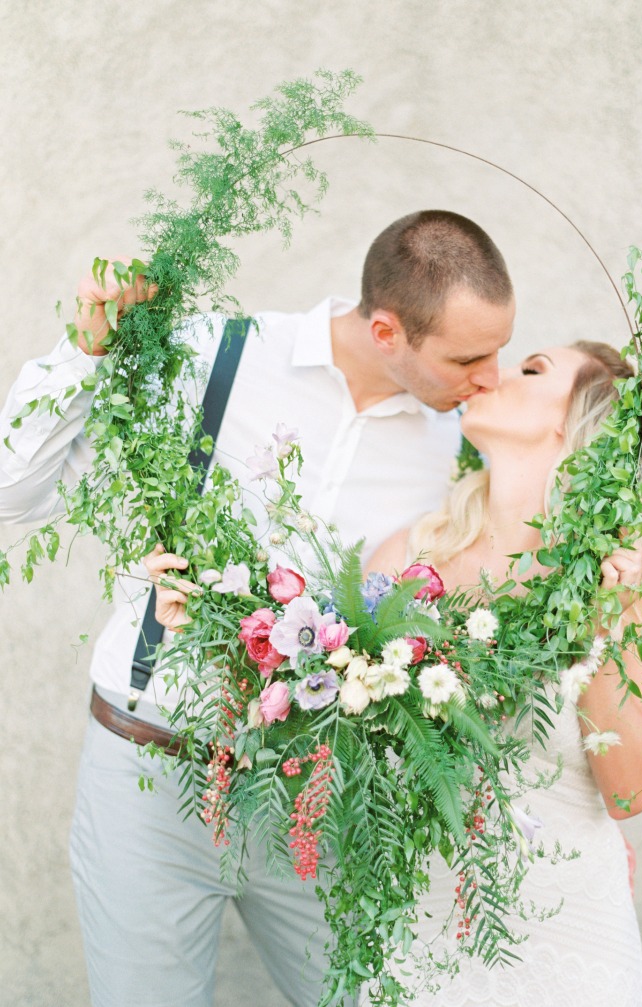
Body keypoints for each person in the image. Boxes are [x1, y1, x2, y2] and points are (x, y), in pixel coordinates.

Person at [0, 210, 517, 1007]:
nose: (491, 376)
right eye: (470, 356)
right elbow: (12, 494)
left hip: (316, 795)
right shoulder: (217, 352)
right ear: (387, 330)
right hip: (151, 769)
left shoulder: (455, 444)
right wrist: (88, 351)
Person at [360, 341, 642, 1007]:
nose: (496, 374)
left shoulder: (630, 587)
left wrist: (599, 625)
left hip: (570, 937)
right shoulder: (408, 559)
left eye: (532, 370)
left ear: (577, 426)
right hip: (422, 930)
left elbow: (630, 792)